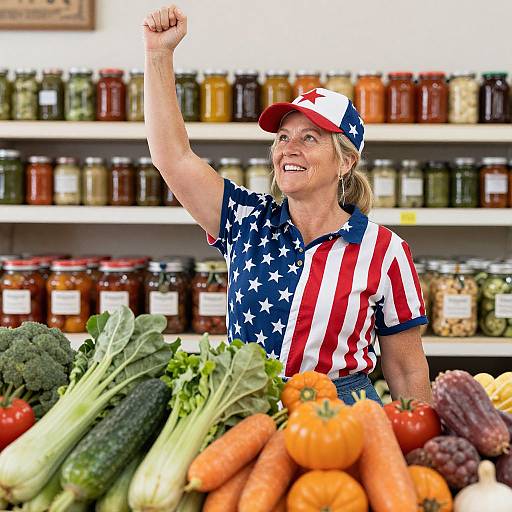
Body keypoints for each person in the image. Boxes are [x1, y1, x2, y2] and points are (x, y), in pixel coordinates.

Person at [143, 5, 432, 404]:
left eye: (310, 138)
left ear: (346, 161)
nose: (288, 149)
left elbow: (405, 368)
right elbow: (172, 157)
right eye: (283, 137)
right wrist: (159, 55)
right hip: (246, 405)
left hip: (342, 414)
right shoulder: (245, 219)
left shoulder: (384, 252)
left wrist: (419, 449)